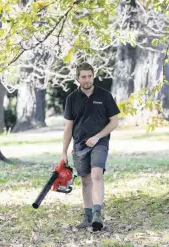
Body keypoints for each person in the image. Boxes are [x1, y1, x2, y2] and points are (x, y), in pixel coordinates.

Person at [61, 62, 120, 231]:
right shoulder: (71, 99)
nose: (87, 80)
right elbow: (68, 127)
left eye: (89, 76)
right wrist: (63, 152)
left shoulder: (105, 96)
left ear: (93, 76)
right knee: (85, 180)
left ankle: (97, 215)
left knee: (96, 175)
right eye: (83, 77)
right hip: (79, 144)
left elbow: (114, 121)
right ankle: (87, 217)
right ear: (78, 78)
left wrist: (97, 137)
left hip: (100, 142)